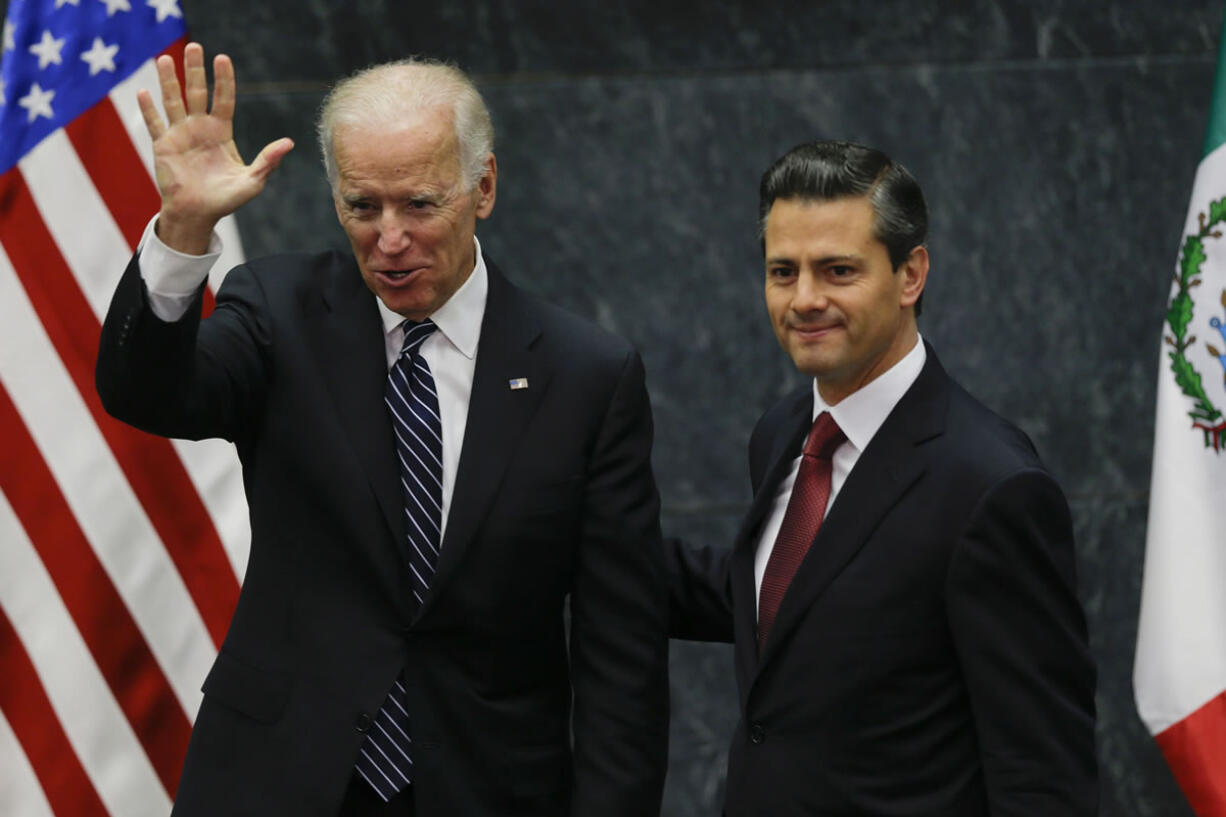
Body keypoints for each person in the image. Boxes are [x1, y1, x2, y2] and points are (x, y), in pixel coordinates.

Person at [96, 43, 669, 817]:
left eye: (420, 205)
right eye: (363, 206)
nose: (389, 238)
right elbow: (146, 393)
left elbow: (620, 657)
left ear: (484, 187)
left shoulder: (585, 376)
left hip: (486, 785)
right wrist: (184, 228)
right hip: (276, 777)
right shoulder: (278, 310)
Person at [668, 140, 1098, 815]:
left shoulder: (992, 485)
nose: (805, 298)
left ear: (910, 275)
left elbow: (1043, 775)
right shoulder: (782, 434)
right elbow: (800, 601)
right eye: (783, 271)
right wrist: (584, 543)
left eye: (838, 270)